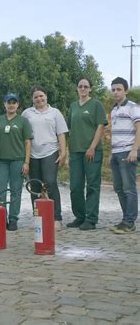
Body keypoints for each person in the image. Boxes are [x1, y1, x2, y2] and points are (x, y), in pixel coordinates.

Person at [21, 85, 68, 231]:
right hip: (33, 154)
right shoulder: (27, 113)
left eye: (41, 96)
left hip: (50, 151)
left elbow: (61, 134)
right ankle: (38, 218)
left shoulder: (55, 113)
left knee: (50, 183)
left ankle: (57, 218)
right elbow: (22, 134)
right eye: (36, 97)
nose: (39, 99)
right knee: (35, 186)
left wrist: (63, 152)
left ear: (46, 96)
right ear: (32, 99)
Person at [66, 78, 107, 230]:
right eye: (80, 86)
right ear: (77, 89)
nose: (83, 88)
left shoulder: (96, 105)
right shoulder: (73, 106)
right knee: (75, 186)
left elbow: (101, 126)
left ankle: (91, 219)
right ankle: (80, 216)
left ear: (90, 89)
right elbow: (69, 127)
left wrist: (92, 147)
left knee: (92, 185)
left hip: (92, 151)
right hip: (76, 151)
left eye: (86, 86)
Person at [0, 93, 32, 231]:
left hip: (18, 160)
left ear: (18, 105)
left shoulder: (23, 121)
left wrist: (26, 162)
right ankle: (1, 217)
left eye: (14, 103)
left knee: (16, 191)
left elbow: (28, 142)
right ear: (4, 104)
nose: (11, 105)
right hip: (1, 161)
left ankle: (13, 219)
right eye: (9, 102)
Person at [109, 77, 139, 234]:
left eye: (119, 89)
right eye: (113, 89)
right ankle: (124, 220)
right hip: (115, 153)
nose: (115, 92)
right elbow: (114, 133)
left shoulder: (133, 107)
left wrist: (134, 150)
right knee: (119, 188)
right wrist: (111, 153)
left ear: (126, 90)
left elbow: (139, 128)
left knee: (129, 188)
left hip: (128, 152)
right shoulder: (114, 110)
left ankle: (130, 222)